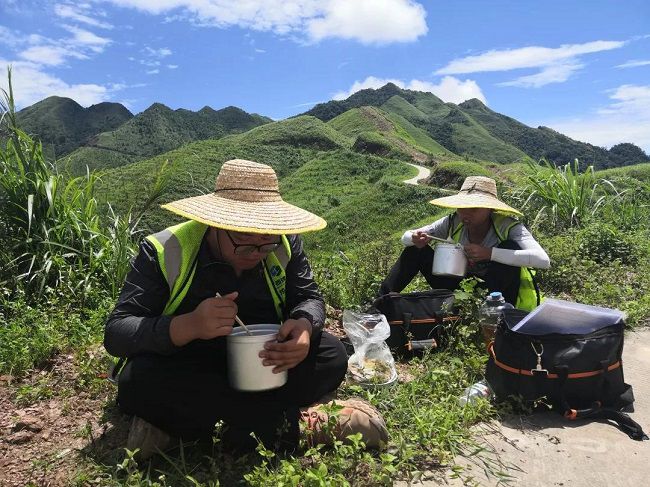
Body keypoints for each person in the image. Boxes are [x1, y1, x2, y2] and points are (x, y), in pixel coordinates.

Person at [105, 159, 387, 459]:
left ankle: (178, 428)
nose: (257, 253)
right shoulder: (167, 249)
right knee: (139, 381)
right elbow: (117, 332)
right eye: (244, 241)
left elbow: (308, 297)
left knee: (330, 356)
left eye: (266, 243)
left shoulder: (283, 243)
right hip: (189, 363)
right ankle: (289, 426)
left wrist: (304, 325)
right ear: (215, 223)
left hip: (262, 361)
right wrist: (189, 325)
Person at [379, 176, 550, 310]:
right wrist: (415, 238)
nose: (465, 214)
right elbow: (406, 236)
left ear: (490, 209)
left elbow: (542, 260)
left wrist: (489, 253)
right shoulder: (453, 221)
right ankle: (380, 304)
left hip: (494, 291)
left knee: (510, 247)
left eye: (473, 208)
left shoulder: (508, 226)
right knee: (415, 249)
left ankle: (499, 314)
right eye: (461, 207)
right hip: (456, 286)